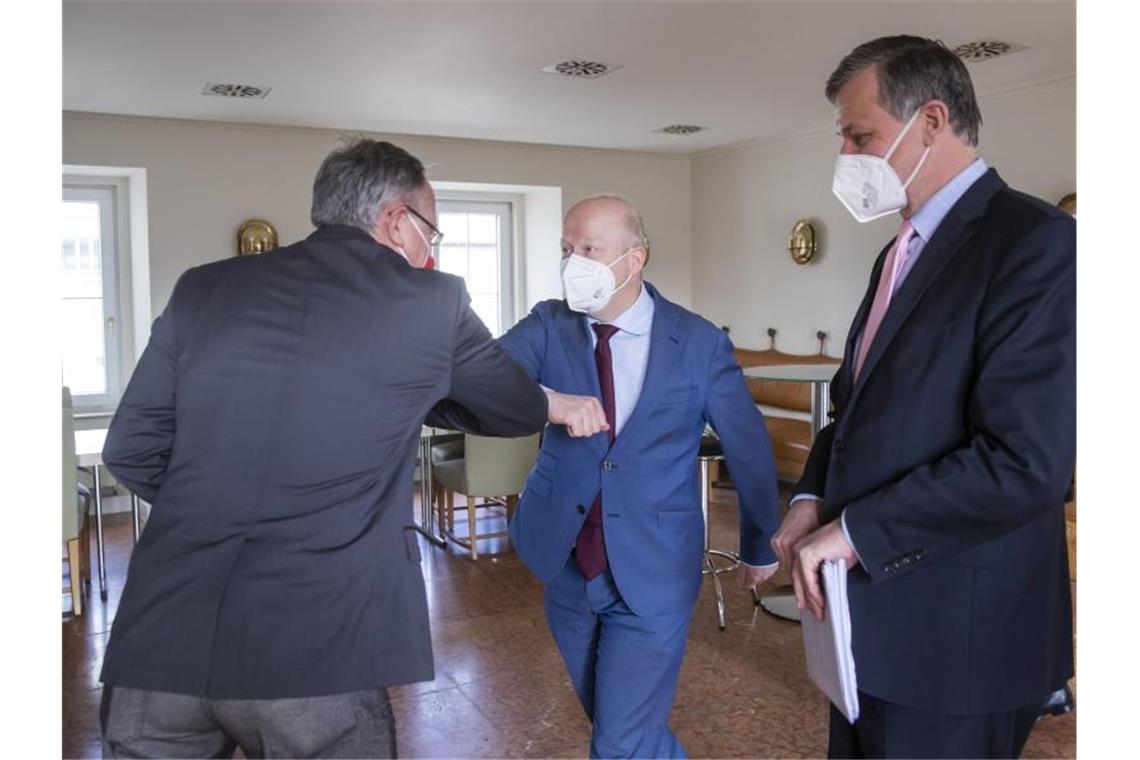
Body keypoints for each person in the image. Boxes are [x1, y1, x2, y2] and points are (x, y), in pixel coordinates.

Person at [98, 138, 593, 758]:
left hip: (161, 639)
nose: (429, 251)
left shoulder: (201, 288)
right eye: (429, 234)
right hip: (314, 646)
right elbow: (514, 408)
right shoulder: (431, 304)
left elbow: (133, 447)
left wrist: (221, 502)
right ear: (395, 221)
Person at [771, 36, 1075, 758]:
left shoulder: (1038, 244)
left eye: (859, 135)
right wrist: (810, 496)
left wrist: (854, 533)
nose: (846, 156)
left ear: (932, 121)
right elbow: (856, 407)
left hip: (958, 639)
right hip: (866, 630)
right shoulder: (898, 251)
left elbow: (1027, 462)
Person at [499, 194, 782, 758]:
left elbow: (747, 446)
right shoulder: (548, 325)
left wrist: (758, 544)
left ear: (635, 259)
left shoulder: (698, 342)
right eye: (565, 248)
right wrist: (548, 399)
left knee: (621, 739)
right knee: (620, 730)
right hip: (568, 567)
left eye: (588, 249)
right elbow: (480, 380)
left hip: (654, 568)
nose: (571, 262)